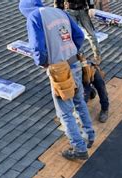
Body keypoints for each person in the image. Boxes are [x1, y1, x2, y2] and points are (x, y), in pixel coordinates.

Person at [19, 0, 96, 161]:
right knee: (79, 101)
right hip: (75, 62)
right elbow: (79, 35)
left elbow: (38, 48)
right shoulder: (59, 12)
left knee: (65, 112)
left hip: (60, 70)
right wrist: (71, 51)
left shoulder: (33, 17)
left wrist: (43, 63)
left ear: (25, 8)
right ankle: (89, 136)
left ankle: (79, 148)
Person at [79, 55, 109, 122]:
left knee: (101, 87)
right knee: (83, 99)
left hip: (90, 69)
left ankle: (105, 109)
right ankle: (91, 91)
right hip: (81, 77)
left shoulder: (72, 48)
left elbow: (82, 58)